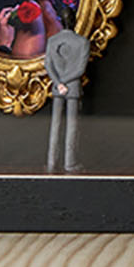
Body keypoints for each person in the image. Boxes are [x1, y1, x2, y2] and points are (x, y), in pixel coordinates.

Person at [44, 26, 91, 173]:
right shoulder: (82, 42)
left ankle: (52, 162)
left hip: (58, 88)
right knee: (72, 126)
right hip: (72, 87)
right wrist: (63, 82)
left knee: (55, 125)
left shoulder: (52, 40)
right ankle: (69, 163)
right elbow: (80, 69)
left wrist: (58, 83)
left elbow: (48, 65)